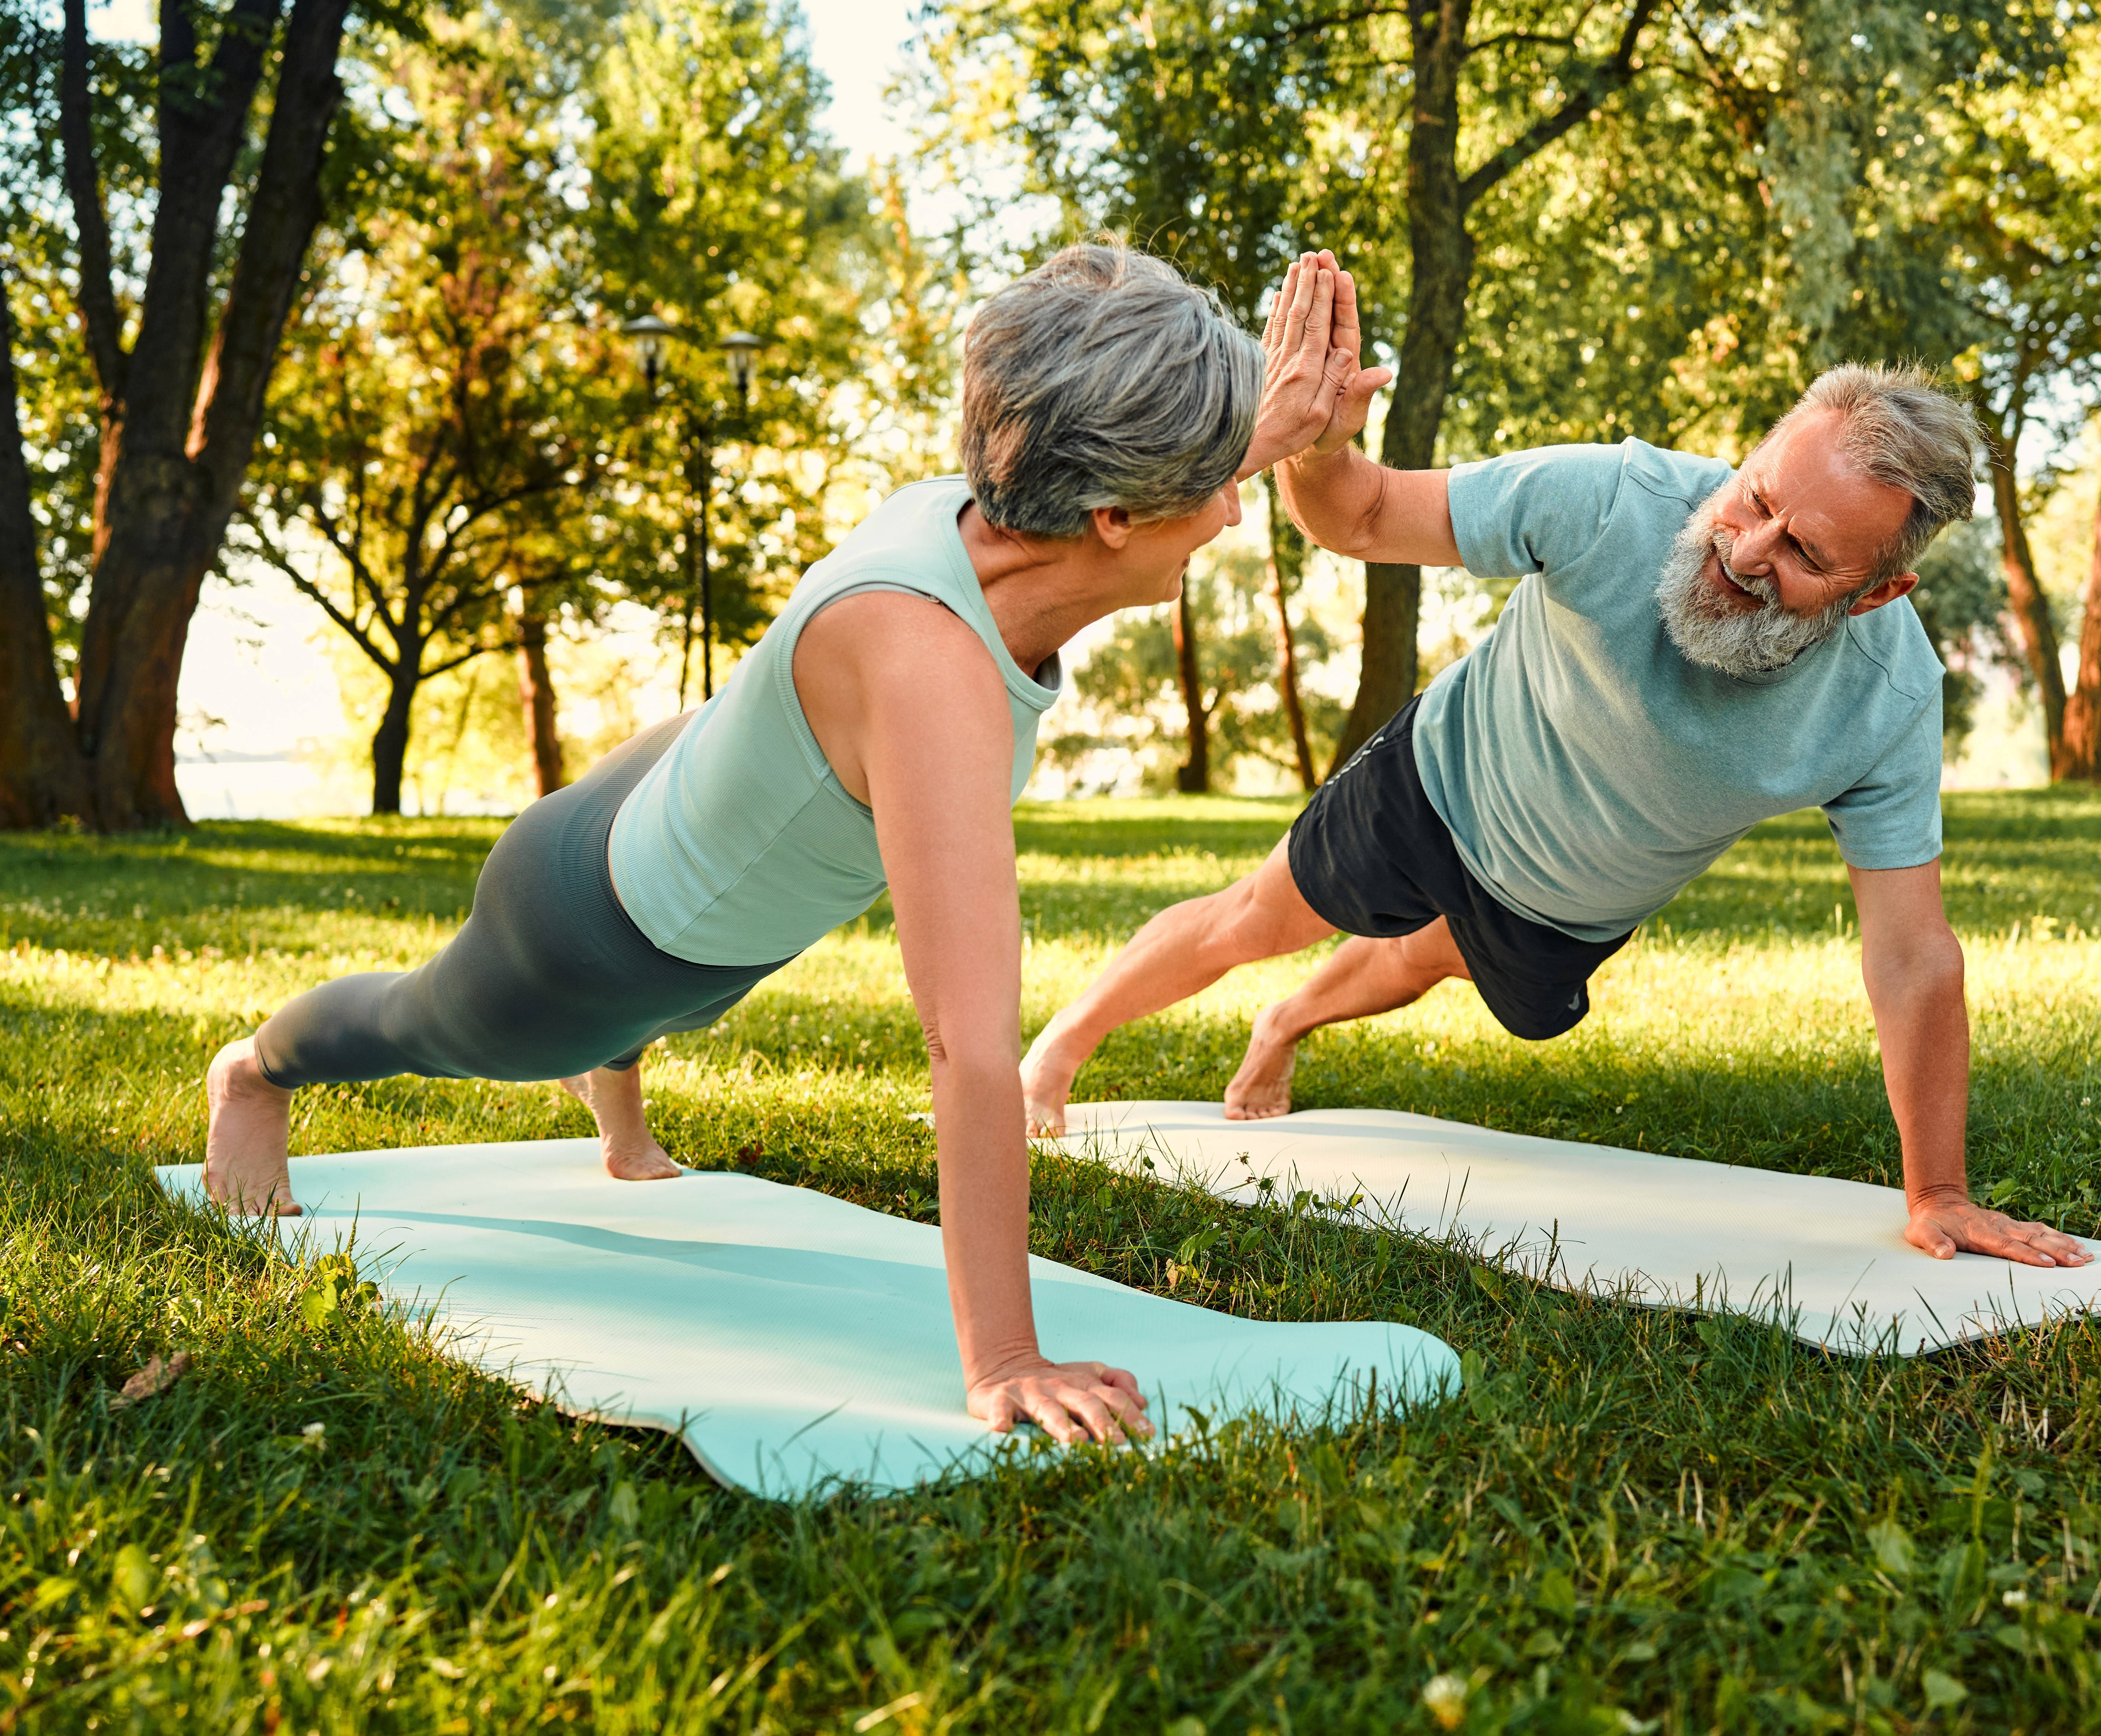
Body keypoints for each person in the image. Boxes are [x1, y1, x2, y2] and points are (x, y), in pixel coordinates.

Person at [202, 244, 1382, 1442]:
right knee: (429, 1024)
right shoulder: (928, 673)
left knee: (698, 978)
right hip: (588, 934)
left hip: (686, 803)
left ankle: (617, 1083)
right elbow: (969, 1046)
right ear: (1113, 512)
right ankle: (255, 1073)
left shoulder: (994, 504)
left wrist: (1266, 433)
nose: (1235, 510)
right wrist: (1008, 1358)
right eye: (1220, 484)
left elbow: (1113, 486)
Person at [1021, 259, 2088, 1271]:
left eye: (1808, 556)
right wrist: (1325, 447)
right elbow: (1360, 516)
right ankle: (1060, 1050)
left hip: (1565, 909)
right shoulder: (1613, 499)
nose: (1748, 553)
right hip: (1439, 785)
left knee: (1426, 959)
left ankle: (1289, 1019)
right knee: (1255, 918)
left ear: (1875, 596)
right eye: (1756, 499)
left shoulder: (1886, 702)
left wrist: (1937, 1192)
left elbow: (1912, 956)